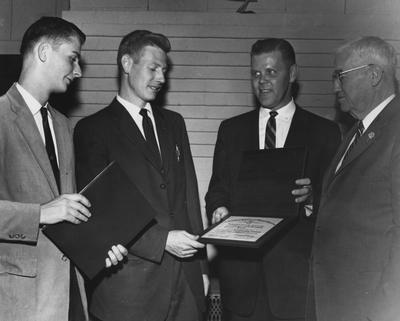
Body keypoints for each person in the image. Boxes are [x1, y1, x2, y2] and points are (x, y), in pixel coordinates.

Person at [73, 30, 209, 321]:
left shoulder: (174, 123)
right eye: (153, 68)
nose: (161, 78)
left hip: (185, 287)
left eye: (164, 70)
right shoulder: (93, 130)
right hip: (129, 290)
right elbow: (101, 209)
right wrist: (162, 241)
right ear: (126, 63)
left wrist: (201, 269)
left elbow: (189, 199)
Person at [0, 16, 127, 321]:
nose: (78, 70)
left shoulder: (62, 124)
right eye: (72, 58)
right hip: (19, 301)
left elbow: (68, 211)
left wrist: (100, 246)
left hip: (70, 295)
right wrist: (41, 213)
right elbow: (52, 211)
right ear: (44, 51)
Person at [205, 38, 341, 321]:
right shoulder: (230, 130)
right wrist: (219, 209)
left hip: (295, 284)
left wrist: (314, 199)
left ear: (292, 74)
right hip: (240, 284)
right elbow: (217, 189)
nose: (262, 81)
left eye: (271, 72)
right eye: (255, 73)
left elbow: (338, 207)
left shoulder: (325, 133)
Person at [306, 36, 400, 321]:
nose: (335, 87)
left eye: (340, 76)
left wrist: (385, 310)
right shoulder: (353, 133)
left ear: (373, 75)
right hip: (335, 302)